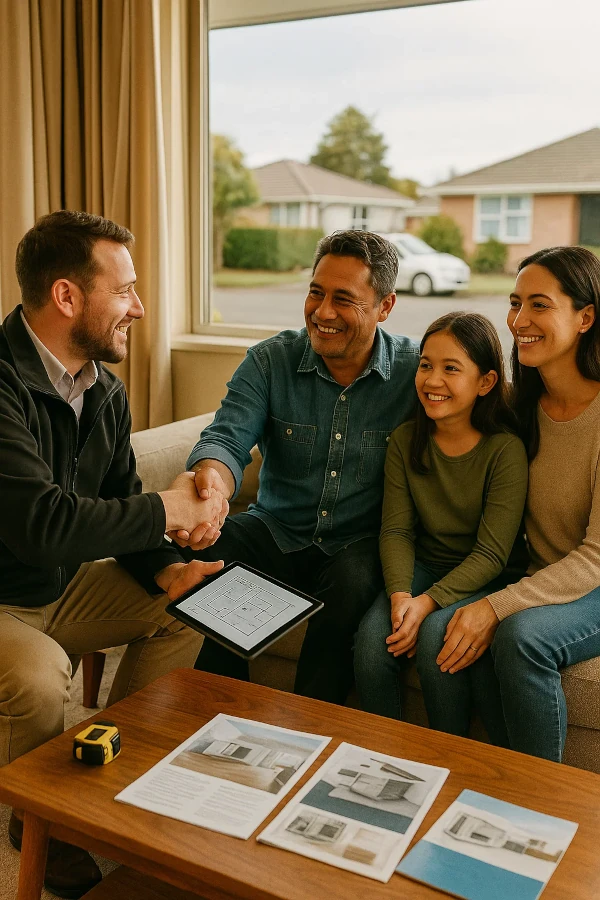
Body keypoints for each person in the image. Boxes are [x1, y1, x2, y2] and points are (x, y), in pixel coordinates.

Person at [0, 210, 226, 897]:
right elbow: (41, 524)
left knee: (191, 606)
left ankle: (104, 778)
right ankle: (33, 817)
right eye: (124, 289)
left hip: (57, 590)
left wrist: (168, 567)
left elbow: (120, 502)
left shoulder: (104, 391)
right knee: (41, 678)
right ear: (68, 297)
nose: (140, 306)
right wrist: (173, 507)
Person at [173, 230, 419, 704]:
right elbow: (226, 438)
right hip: (277, 530)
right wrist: (213, 484)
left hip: (359, 543)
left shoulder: (415, 373)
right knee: (207, 550)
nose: (323, 312)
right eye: (316, 292)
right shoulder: (270, 360)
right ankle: (218, 707)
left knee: (353, 581)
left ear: (385, 306)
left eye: (343, 299)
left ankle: (311, 718)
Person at [415, 246, 600, 763]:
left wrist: (497, 606)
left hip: (597, 580)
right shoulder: (518, 405)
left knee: (520, 635)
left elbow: (595, 557)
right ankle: (470, 774)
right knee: (439, 629)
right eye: (515, 303)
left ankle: (541, 803)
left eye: (539, 305)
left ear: (585, 317)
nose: (518, 321)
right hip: (538, 571)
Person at [354, 312, 528, 742]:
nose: (432, 380)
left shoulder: (504, 450)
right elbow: (396, 531)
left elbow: (492, 554)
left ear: (485, 383)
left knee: (435, 636)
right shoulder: (405, 440)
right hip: (424, 566)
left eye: (451, 368)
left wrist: (427, 604)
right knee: (373, 645)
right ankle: (383, 756)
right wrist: (400, 598)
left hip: (486, 575)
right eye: (426, 365)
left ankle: (447, 756)